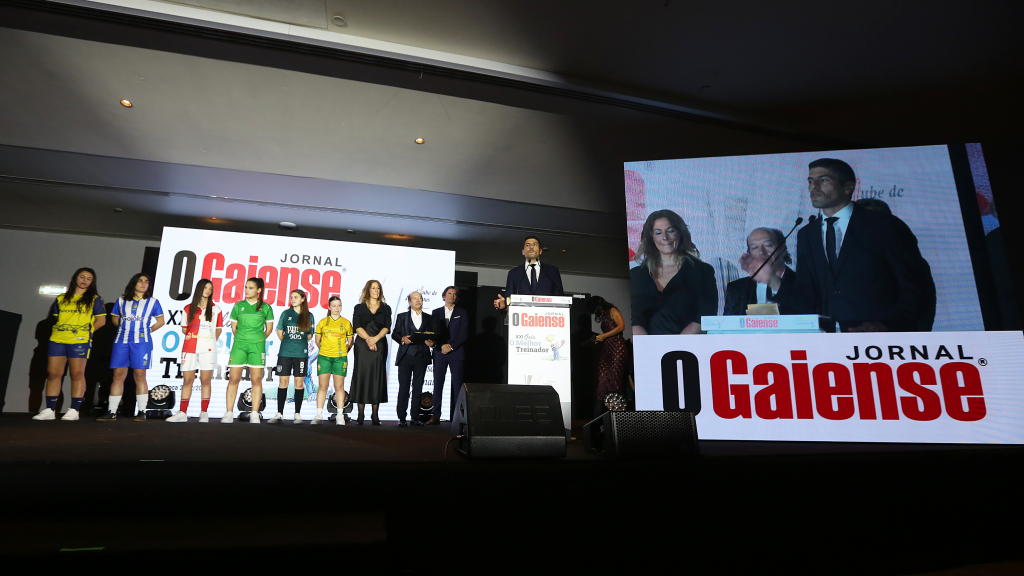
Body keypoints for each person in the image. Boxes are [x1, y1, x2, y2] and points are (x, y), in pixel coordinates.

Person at [745, 158, 936, 332]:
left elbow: (917, 288)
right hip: (831, 345)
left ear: (848, 188)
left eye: (824, 180)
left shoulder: (884, 226)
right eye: (811, 181)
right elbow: (807, 299)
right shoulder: (806, 234)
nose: (814, 187)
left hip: (882, 342)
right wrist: (772, 279)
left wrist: (886, 326)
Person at [34, 268, 106, 421]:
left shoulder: (94, 299)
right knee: (53, 374)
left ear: (92, 282)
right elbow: (55, 317)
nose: (84, 280)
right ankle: (49, 409)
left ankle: (74, 410)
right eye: (82, 276)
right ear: (75, 278)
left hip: (79, 341)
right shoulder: (61, 298)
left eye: (88, 278)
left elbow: (101, 321)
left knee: (76, 374)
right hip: (58, 339)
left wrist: (85, 332)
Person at [630, 210, 717, 335]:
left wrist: (678, 347)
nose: (665, 237)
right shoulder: (636, 275)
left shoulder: (702, 271)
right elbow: (633, 318)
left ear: (680, 233)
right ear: (651, 237)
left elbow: (705, 316)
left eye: (670, 231)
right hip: (645, 348)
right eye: (658, 233)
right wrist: (646, 348)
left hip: (687, 347)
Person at [97, 273, 165, 421]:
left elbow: (161, 321)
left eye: (146, 282)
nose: (143, 284)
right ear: (133, 283)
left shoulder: (153, 302)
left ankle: (142, 412)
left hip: (141, 343)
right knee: (118, 376)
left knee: (140, 376)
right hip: (121, 341)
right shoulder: (121, 300)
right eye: (140, 281)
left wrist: (146, 331)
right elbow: (115, 318)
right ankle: (111, 411)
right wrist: (124, 330)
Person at [166, 279, 222, 423]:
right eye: (205, 288)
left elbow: (218, 330)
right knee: (187, 380)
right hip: (189, 347)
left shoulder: (216, 309)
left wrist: (207, 340)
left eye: (210, 288)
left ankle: (204, 412)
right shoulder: (188, 308)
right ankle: (182, 412)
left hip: (208, 349)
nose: (208, 291)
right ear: (199, 289)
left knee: (205, 380)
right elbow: (185, 329)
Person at [223, 278, 274, 423]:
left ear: (259, 290)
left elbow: (269, 330)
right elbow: (234, 328)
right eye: (246, 287)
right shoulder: (238, 306)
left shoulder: (266, 307)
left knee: (256, 379)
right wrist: (243, 338)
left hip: (257, 346)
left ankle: (254, 413)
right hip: (239, 345)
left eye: (250, 288)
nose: (247, 290)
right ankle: (228, 413)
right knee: (233, 379)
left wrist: (257, 339)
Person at [725, 228, 797, 316]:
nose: (761, 252)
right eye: (755, 247)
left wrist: (773, 280)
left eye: (768, 245)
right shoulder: (736, 288)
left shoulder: (804, 284)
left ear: (783, 250)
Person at [269, 289, 315, 424]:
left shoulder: (309, 315)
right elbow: (279, 331)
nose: (292, 299)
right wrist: (288, 342)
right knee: (283, 382)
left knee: (299, 384)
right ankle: (279, 413)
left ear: (303, 299)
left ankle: (297, 414)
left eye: (295, 297)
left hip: (301, 354)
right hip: (285, 353)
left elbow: (309, 335)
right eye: (291, 297)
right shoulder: (286, 313)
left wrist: (298, 343)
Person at [350, 280, 392, 425]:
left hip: (379, 343)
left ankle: (375, 415)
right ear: (368, 290)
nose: (376, 290)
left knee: (377, 376)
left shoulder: (386, 308)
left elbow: (387, 327)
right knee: (361, 375)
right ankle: (360, 415)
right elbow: (357, 326)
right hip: (363, 344)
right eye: (373, 288)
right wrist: (369, 339)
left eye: (378, 288)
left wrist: (376, 339)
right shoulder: (359, 307)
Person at [392, 291, 436, 427]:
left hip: (421, 356)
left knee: (418, 388)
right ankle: (401, 417)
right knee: (404, 387)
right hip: (405, 356)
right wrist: (402, 339)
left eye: (420, 298)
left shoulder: (429, 318)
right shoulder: (401, 317)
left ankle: (415, 417)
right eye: (415, 298)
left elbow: (433, 336)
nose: (418, 300)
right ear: (410, 302)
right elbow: (395, 334)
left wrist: (432, 343)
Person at [493, 235, 564, 310]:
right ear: (523, 252)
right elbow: (509, 298)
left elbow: (559, 297)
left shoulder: (552, 271)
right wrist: (504, 305)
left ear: (540, 251)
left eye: (535, 245)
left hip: (547, 318)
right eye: (528, 245)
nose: (531, 247)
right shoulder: (514, 273)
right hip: (522, 318)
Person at [429, 286, 467, 424]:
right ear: (444, 296)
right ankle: (435, 415)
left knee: (458, 385)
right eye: (449, 293)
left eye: (455, 294)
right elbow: (433, 333)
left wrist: (450, 346)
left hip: (456, 353)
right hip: (440, 352)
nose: (452, 296)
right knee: (438, 384)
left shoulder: (462, 313)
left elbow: (463, 334)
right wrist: (441, 346)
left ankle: (458, 417)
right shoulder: (436, 312)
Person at [313, 296, 353, 425]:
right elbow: (317, 341)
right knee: (323, 386)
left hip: (340, 358)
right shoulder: (322, 322)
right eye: (334, 305)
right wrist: (326, 350)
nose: (337, 308)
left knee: (339, 386)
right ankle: (319, 414)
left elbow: (350, 342)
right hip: (324, 357)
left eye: (339, 305)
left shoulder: (346, 323)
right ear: (329, 307)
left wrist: (341, 352)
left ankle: (340, 414)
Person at [586, 295, 628, 413]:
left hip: (617, 348)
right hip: (607, 348)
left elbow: (621, 326)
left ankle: (617, 413)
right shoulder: (604, 314)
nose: (595, 313)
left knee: (615, 379)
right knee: (603, 378)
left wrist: (604, 336)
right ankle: (601, 415)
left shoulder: (613, 310)